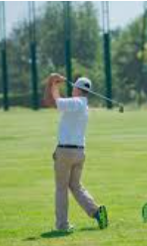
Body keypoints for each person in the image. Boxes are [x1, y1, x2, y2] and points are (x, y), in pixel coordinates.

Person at [44, 73, 108, 231]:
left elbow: (52, 102)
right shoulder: (83, 105)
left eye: (73, 88)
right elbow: (58, 104)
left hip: (65, 152)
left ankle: (62, 225)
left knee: (61, 188)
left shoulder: (76, 102)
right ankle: (96, 212)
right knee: (75, 186)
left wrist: (52, 82)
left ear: (77, 89)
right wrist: (55, 86)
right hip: (79, 152)